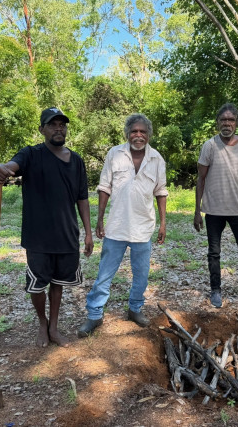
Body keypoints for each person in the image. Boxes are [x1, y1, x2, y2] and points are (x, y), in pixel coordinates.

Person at [0, 107, 94, 347]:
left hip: (67, 234)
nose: (59, 128)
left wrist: (88, 232)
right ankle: (41, 322)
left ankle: (54, 327)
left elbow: (82, 198)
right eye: (52, 124)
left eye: (62, 124)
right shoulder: (31, 154)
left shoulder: (77, 160)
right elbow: (9, 166)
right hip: (38, 236)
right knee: (37, 285)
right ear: (42, 129)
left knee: (58, 283)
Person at [78, 113, 168, 337]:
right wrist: (99, 219)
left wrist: (163, 223)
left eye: (143, 132)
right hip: (116, 226)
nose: (138, 135)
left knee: (142, 275)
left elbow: (161, 192)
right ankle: (95, 315)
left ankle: (135, 310)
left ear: (148, 135)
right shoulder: (114, 154)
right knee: (105, 274)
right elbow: (104, 187)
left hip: (143, 227)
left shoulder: (156, 159)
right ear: (127, 134)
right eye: (134, 131)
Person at [194, 103, 238, 310]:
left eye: (231, 120)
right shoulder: (209, 146)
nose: (227, 123)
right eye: (223, 120)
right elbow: (201, 179)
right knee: (214, 253)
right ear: (218, 122)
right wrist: (197, 211)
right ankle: (215, 290)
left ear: (237, 122)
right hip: (214, 210)